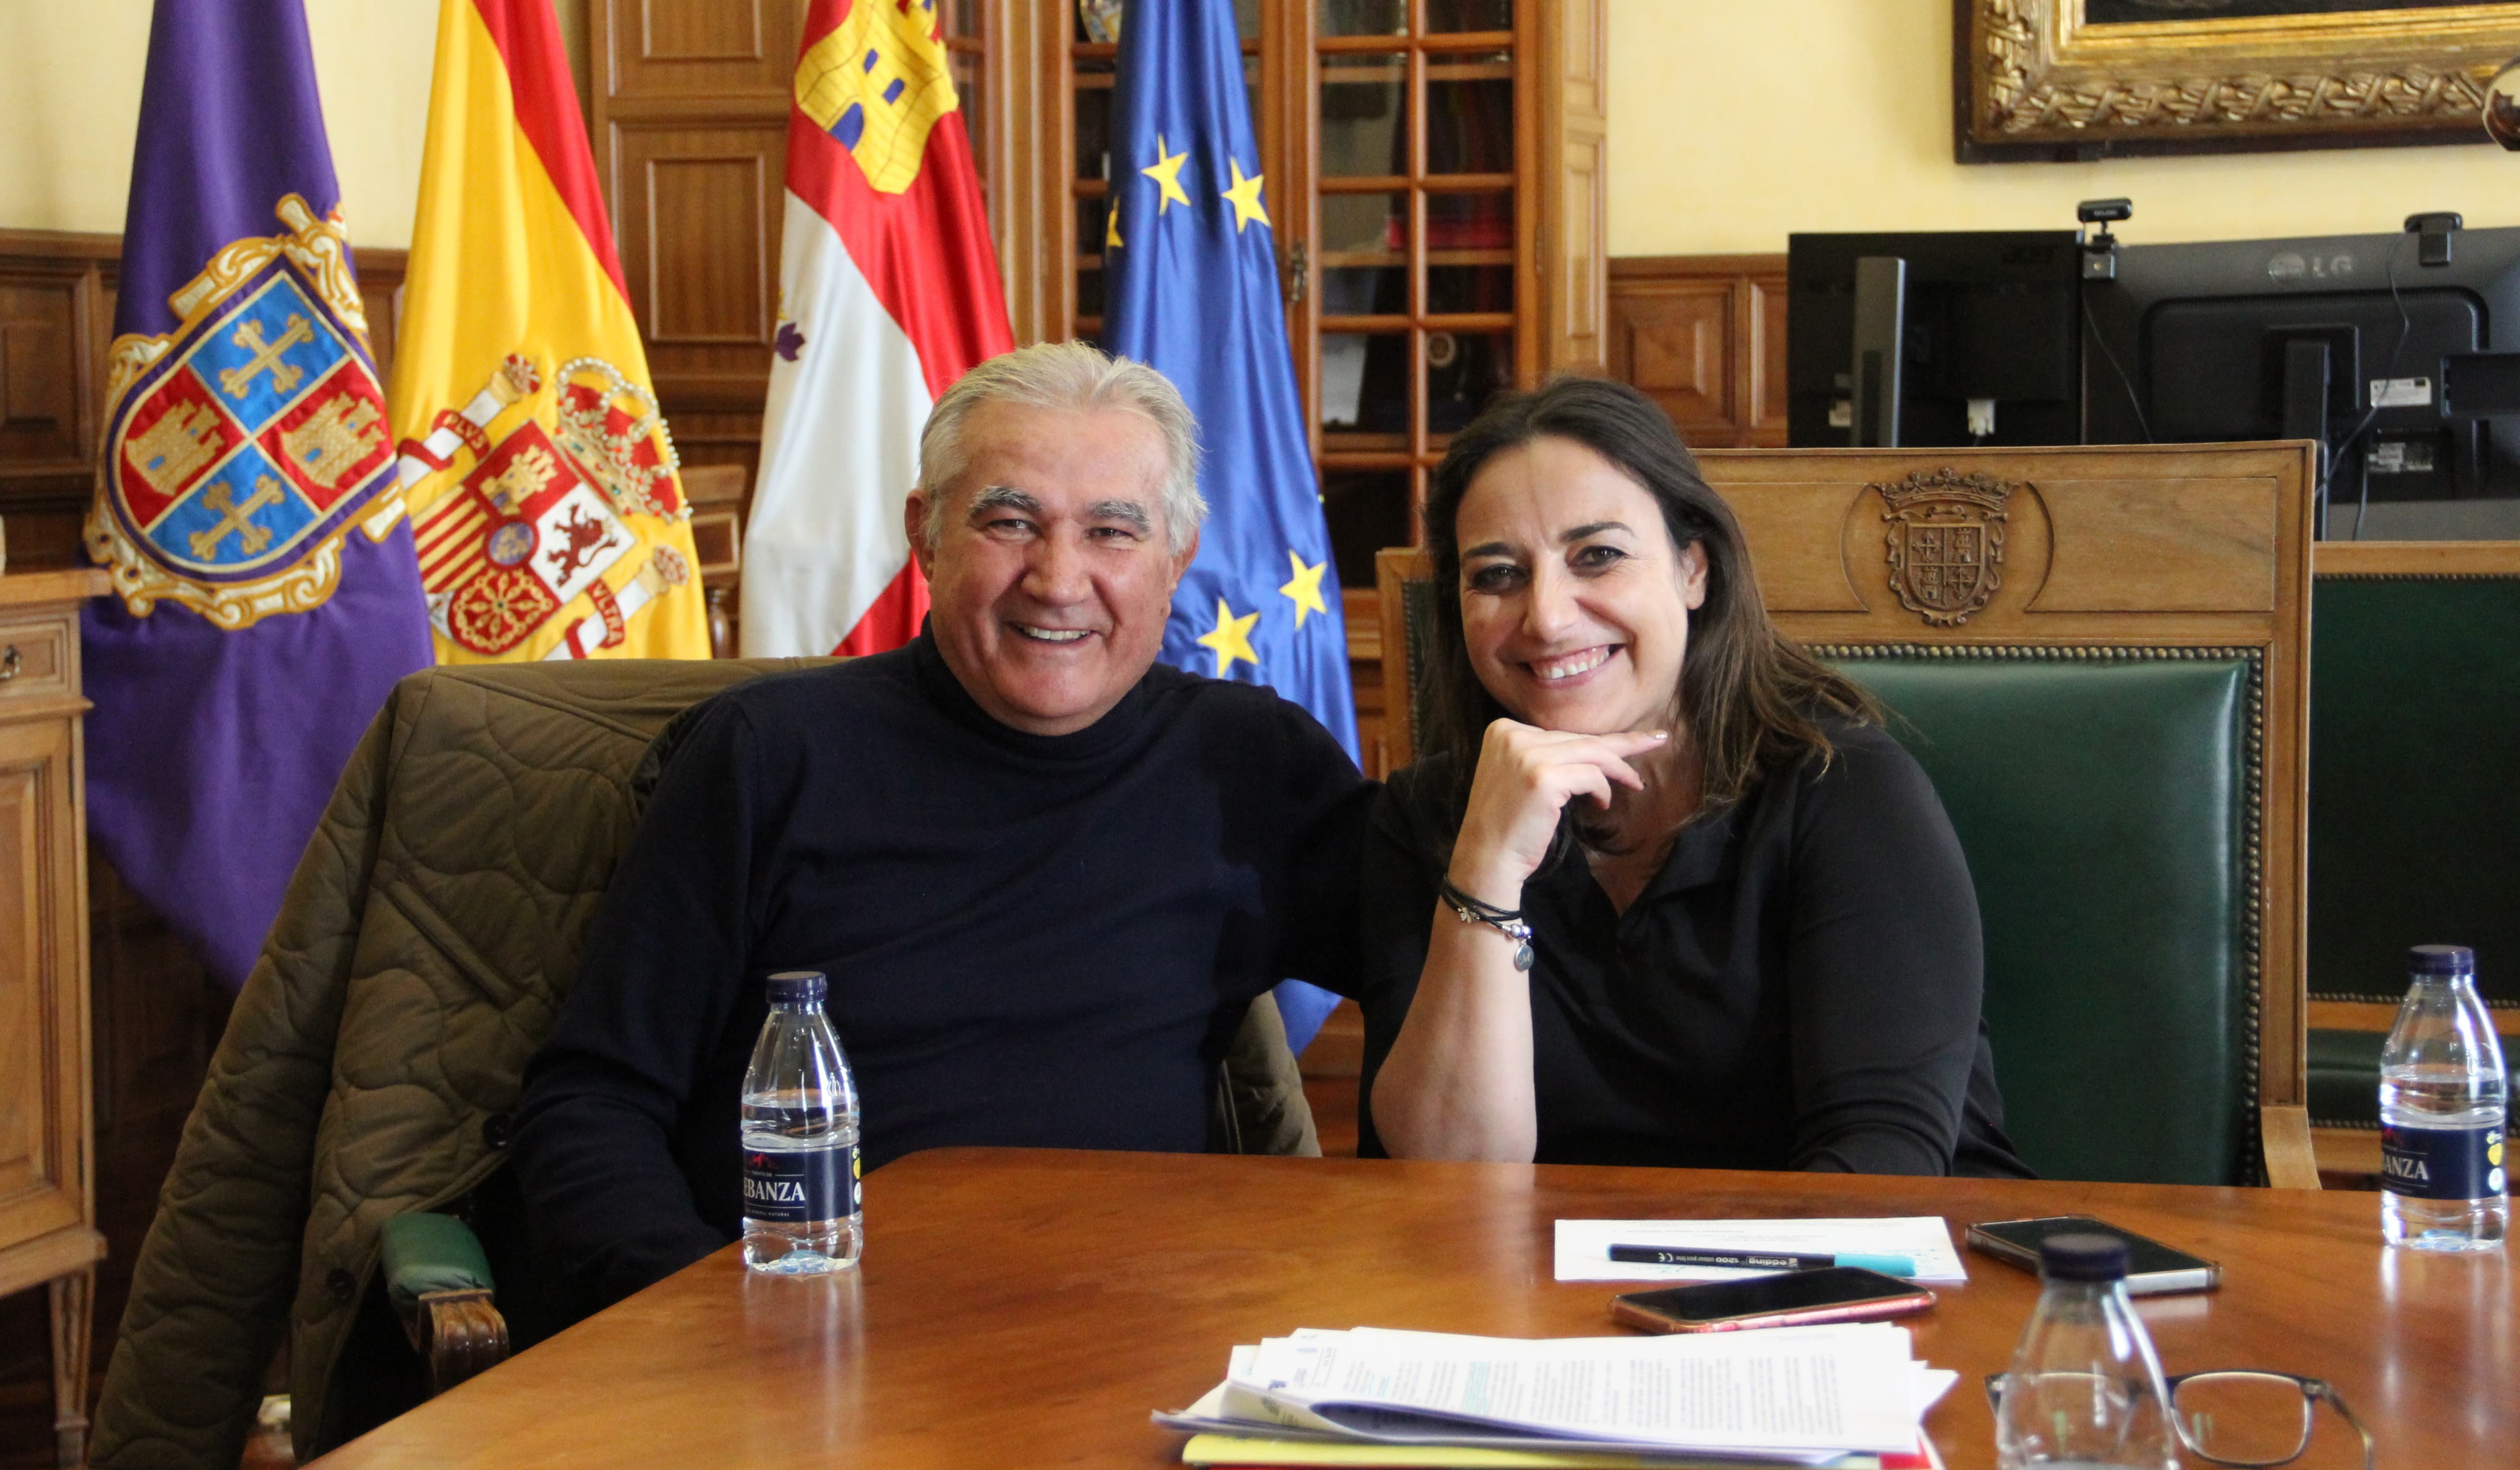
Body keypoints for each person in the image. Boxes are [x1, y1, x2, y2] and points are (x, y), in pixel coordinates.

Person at [513, 342, 1373, 1308]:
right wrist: (706, 1330)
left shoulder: (1249, 764)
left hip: (1135, 1348)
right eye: (1011, 522)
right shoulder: (767, 757)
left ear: (1177, 558)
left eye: (1111, 534)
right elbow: (591, 1106)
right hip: (809, 1361)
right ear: (926, 534)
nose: (1057, 578)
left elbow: (1458, 981)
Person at [1359, 376, 2028, 1178]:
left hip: (1871, 1276)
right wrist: (1488, 871)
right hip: (1553, 1288)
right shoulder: (1427, 818)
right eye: (1497, 574)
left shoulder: (1841, 788)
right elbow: (1450, 1182)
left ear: (1694, 570)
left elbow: (1878, 1173)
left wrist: (1659, 1291)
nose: (1545, 615)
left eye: (1597, 555)